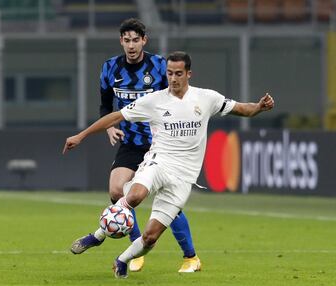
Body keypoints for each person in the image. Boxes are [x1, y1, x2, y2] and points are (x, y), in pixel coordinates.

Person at [63, 51, 274, 279]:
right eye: (170, 73)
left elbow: (243, 109)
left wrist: (260, 107)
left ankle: (122, 259)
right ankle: (98, 235)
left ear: (189, 74)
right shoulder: (154, 101)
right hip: (158, 162)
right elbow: (115, 117)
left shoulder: (206, 98)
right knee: (134, 196)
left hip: (183, 177)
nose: (173, 78)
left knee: (151, 237)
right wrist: (81, 135)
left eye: (178, 74)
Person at [70, 18, 201, 273]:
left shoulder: (160, 66)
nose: (131, 45)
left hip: (161, 145)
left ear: (144, 40)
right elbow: (105, 105)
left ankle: (190, 256)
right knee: (117, 191)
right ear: (121, 41)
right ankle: (135, 248)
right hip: (130, 142)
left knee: (167, 205)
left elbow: (177, 97)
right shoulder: (110, 68)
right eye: (126, 40)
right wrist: (109, 126)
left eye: (135, 40)